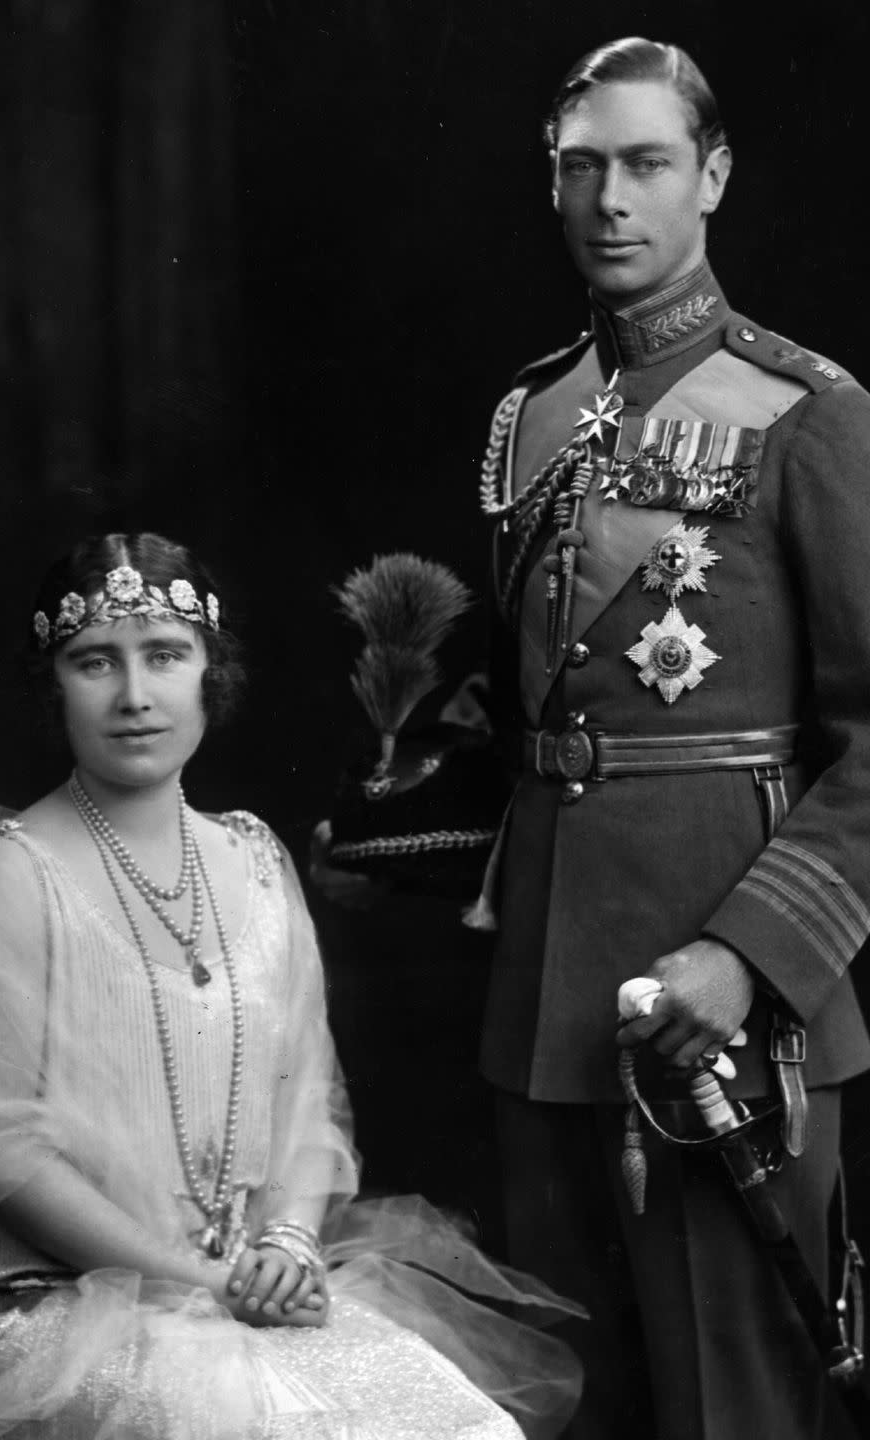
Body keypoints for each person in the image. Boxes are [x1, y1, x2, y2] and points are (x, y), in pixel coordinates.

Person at [0, 533, 582, 1440]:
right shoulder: (3, 874)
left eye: (166, 656)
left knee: (466, 1429)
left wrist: (290, 1243)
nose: (135, 695)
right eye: (94, 661)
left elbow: (307, 1103)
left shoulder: (259, 860)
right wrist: (205, 1284)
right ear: (52, 684)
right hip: (54, 1308)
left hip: (246, 1287)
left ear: (208, 674)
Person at [476, 36, 870, 1440]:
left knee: (733, 1411)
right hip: (544, 997)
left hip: (723, 999)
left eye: (645, 164)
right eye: (580, 168)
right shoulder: (530, 418)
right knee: (564, 1406)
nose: (609, 200)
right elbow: (533, 710)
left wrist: (750, 953)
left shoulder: (805, 414)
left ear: (710, 175)